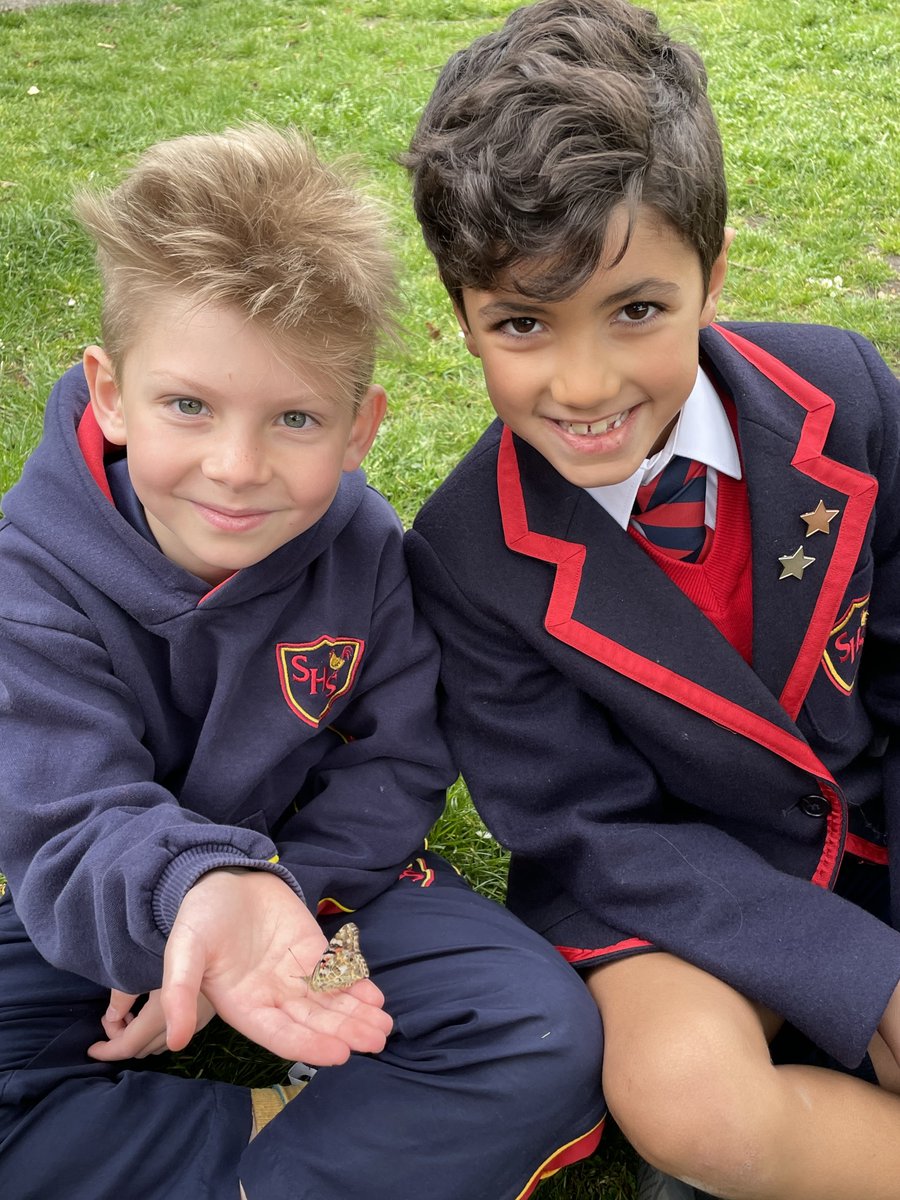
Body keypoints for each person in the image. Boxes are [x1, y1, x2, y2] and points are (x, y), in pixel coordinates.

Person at [0, 123, 606, 1200]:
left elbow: (398, 766)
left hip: (326, 891)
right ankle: (282, 1135)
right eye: (189, 405)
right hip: (100, 906)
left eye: (294, 418)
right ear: (107, 392)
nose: (236, 470)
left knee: (539, 1028)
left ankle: (256, 1163)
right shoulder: (27, 578)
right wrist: (175, 916)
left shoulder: (369, 553)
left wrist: (278, 894)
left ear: (361, 427)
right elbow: (70, 816)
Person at [402, 2, 900, 1198]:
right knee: (695, 1103)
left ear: (712, 275)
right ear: (461, 321)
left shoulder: (851, 393)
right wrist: (861, 977)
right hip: (666, 891)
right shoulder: (465, 553)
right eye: (523, 323)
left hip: (874, 832)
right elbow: (588, 829)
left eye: (636, 309)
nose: (585, 383)